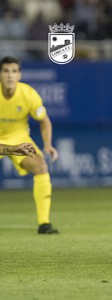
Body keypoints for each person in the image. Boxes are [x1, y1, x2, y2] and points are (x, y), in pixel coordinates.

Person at [0, 56, 60, 234]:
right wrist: (11, 149)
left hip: (19, 137)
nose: (10, 75)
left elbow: (44, 120)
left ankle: (44, 224)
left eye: (14, 71)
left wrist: (47, 144)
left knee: (41, 166)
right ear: (0, 74)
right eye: (5, 71)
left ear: (19, 75)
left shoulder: (28, 94)